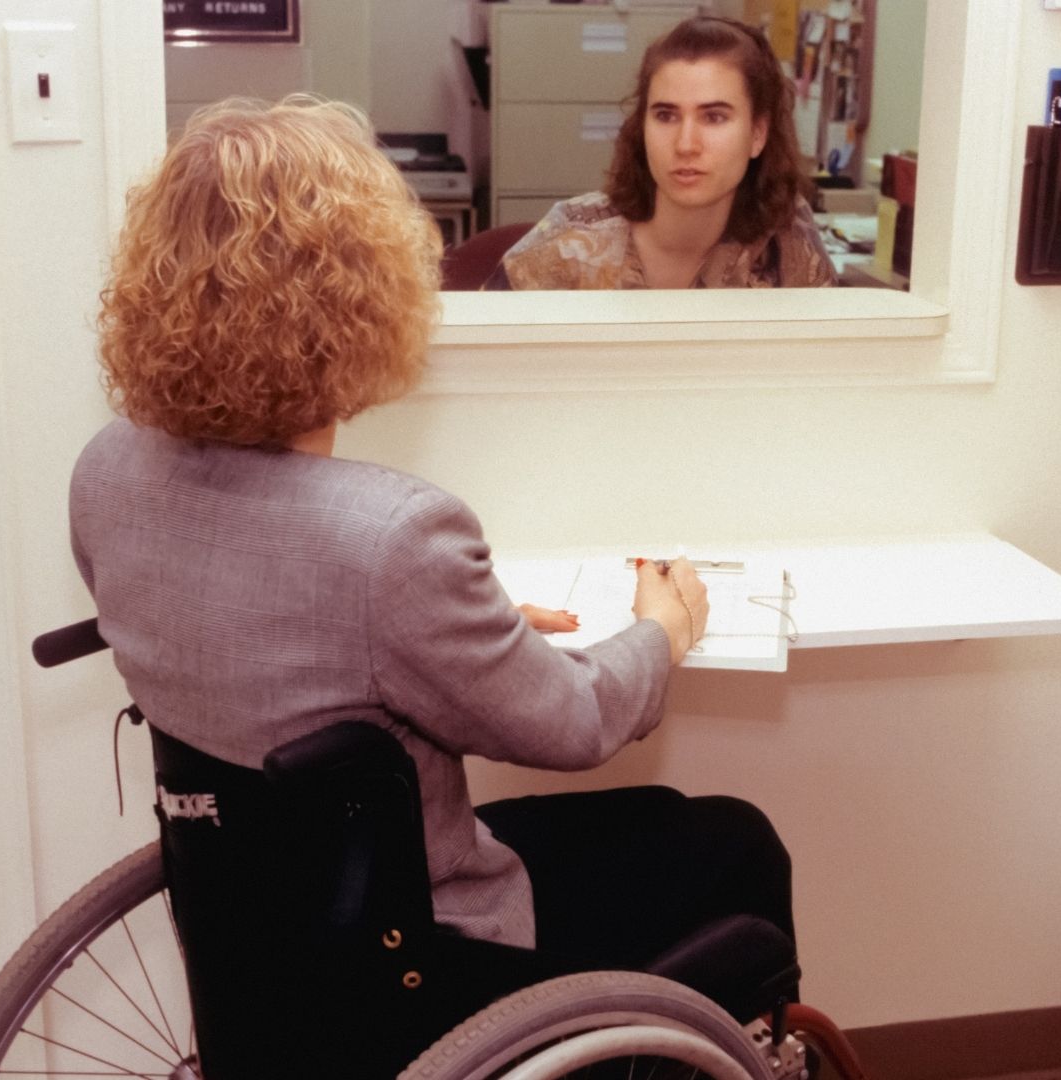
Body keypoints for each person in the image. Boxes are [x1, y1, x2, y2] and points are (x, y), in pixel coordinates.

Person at [74, 95, 794, 971]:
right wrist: (662, 632)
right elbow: (575, 724)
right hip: (412, 943)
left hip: (257, 930)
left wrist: (462, 630)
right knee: (736, 839)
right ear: (363, 299)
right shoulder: (392, 540)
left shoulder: (108, 472)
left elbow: (254, 637)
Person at [489, 15, 835, 290]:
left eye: (714, 117)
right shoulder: (569, 242)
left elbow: (831, 367)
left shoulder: (784, 239)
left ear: (757, 135)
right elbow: (479, 363)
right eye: (666, 116)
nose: (686, 144)